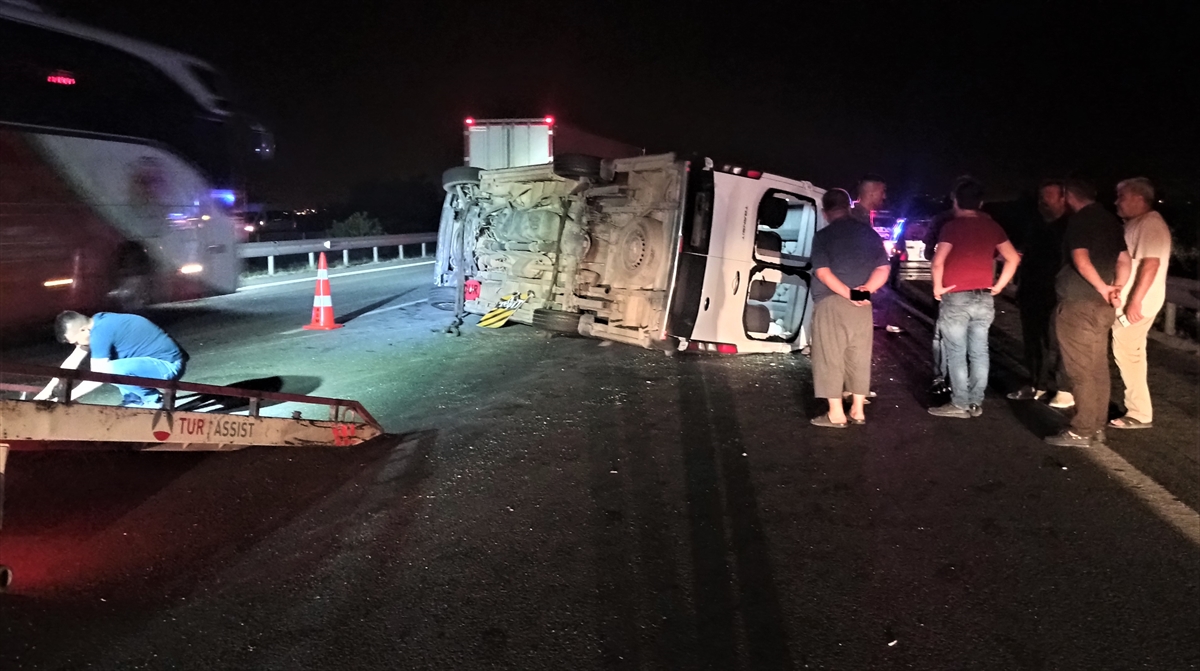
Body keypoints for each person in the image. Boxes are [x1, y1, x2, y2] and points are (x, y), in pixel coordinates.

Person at [1044, 179, 1131, 447]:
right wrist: (1116, 289)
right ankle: (1096, 426)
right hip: (1102, 307)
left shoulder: (1080, 220)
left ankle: (1081, 430)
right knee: (1097, 369)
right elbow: (1124, 260)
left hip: (1078, 305)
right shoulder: (1110, 221)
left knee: (1080, 371)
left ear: (1069, 195)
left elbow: (1081, 259)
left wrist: (1102, 288)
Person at [929, 177, 1021, 418]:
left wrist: (937, 287)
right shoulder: (993, 227)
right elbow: (1013, 258)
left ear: (955, 201)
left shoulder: (951, 227)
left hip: (956, 297)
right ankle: (975, 402)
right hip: (984, 297)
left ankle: (960, 403)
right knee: (979, 350)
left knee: (956, 351)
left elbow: (938, 261)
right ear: (980, 203)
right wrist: (999, 286)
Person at [808, 188, 890, 428]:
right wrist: (865, 291)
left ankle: (836, 414)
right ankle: (857, 410)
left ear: (825, 212)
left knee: (830, 357)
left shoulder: (824, 236)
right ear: (849, 207)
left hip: (831, 304)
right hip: (863, 306)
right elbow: (883, 268)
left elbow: (823, 273)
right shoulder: (869, 234)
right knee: (859, 356)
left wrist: (848, 293)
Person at [1109, 177, 1172, 430]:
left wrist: (1135, 302)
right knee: (1128, 352)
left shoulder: (1150, 223)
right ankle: (1137, 409)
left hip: (1138, 304)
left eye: (1121, 197)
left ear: (1138, 198)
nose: (1117, 202)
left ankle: (1139, 412)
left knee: (1129, 354)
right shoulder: (1137, 224)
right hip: (1130, 302)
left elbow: (1151, 264)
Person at [1008, 179, 1071, 402]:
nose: (1043, 201)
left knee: (1056, 341)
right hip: (1031, 291)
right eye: (1041, 197)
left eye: (1048, 196)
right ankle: (1037, 383)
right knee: (1033, 340)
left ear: (1063, 198)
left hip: (1056, 293)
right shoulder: (1035, 224)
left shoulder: (1070, 227)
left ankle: (1063, 388)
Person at [54, 311, 188, 408]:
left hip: (167, 366)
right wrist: (45, 395)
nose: (77, 346)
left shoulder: (101, 331)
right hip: (152, 365)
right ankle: (134, 400)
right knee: (113, 365)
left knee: (108, 369)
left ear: (84, 330)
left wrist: (66, 398)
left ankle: (154, 401)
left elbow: (98, 376)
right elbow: (72, 361)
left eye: (76, 342)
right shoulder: (97, 323)